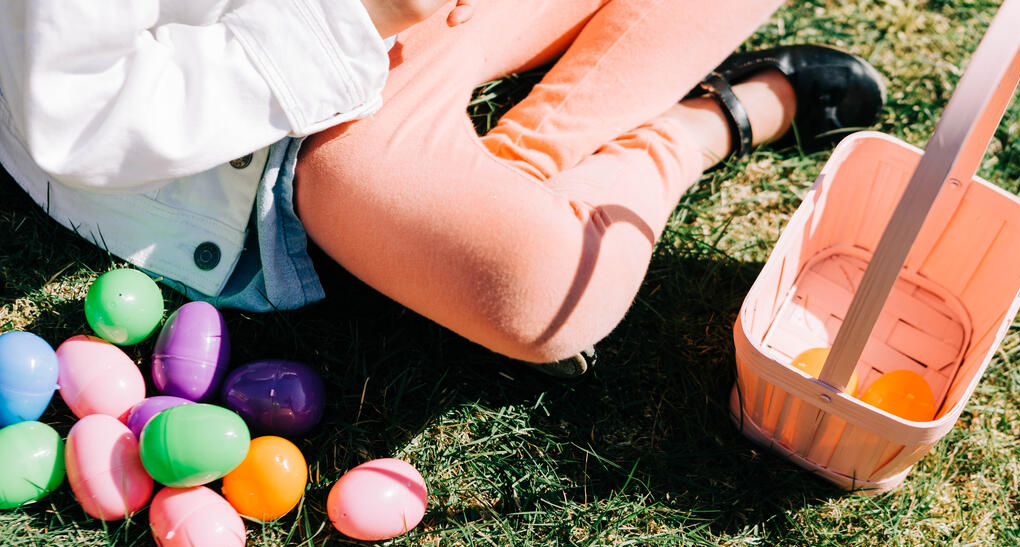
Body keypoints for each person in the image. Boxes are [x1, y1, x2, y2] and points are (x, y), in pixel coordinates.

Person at [0, 1, 885, 377]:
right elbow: (80, 111)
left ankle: (521, 167)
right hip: (274, 128)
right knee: (544, 292)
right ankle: (697, 128)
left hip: (398, 31)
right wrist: (373, 15)